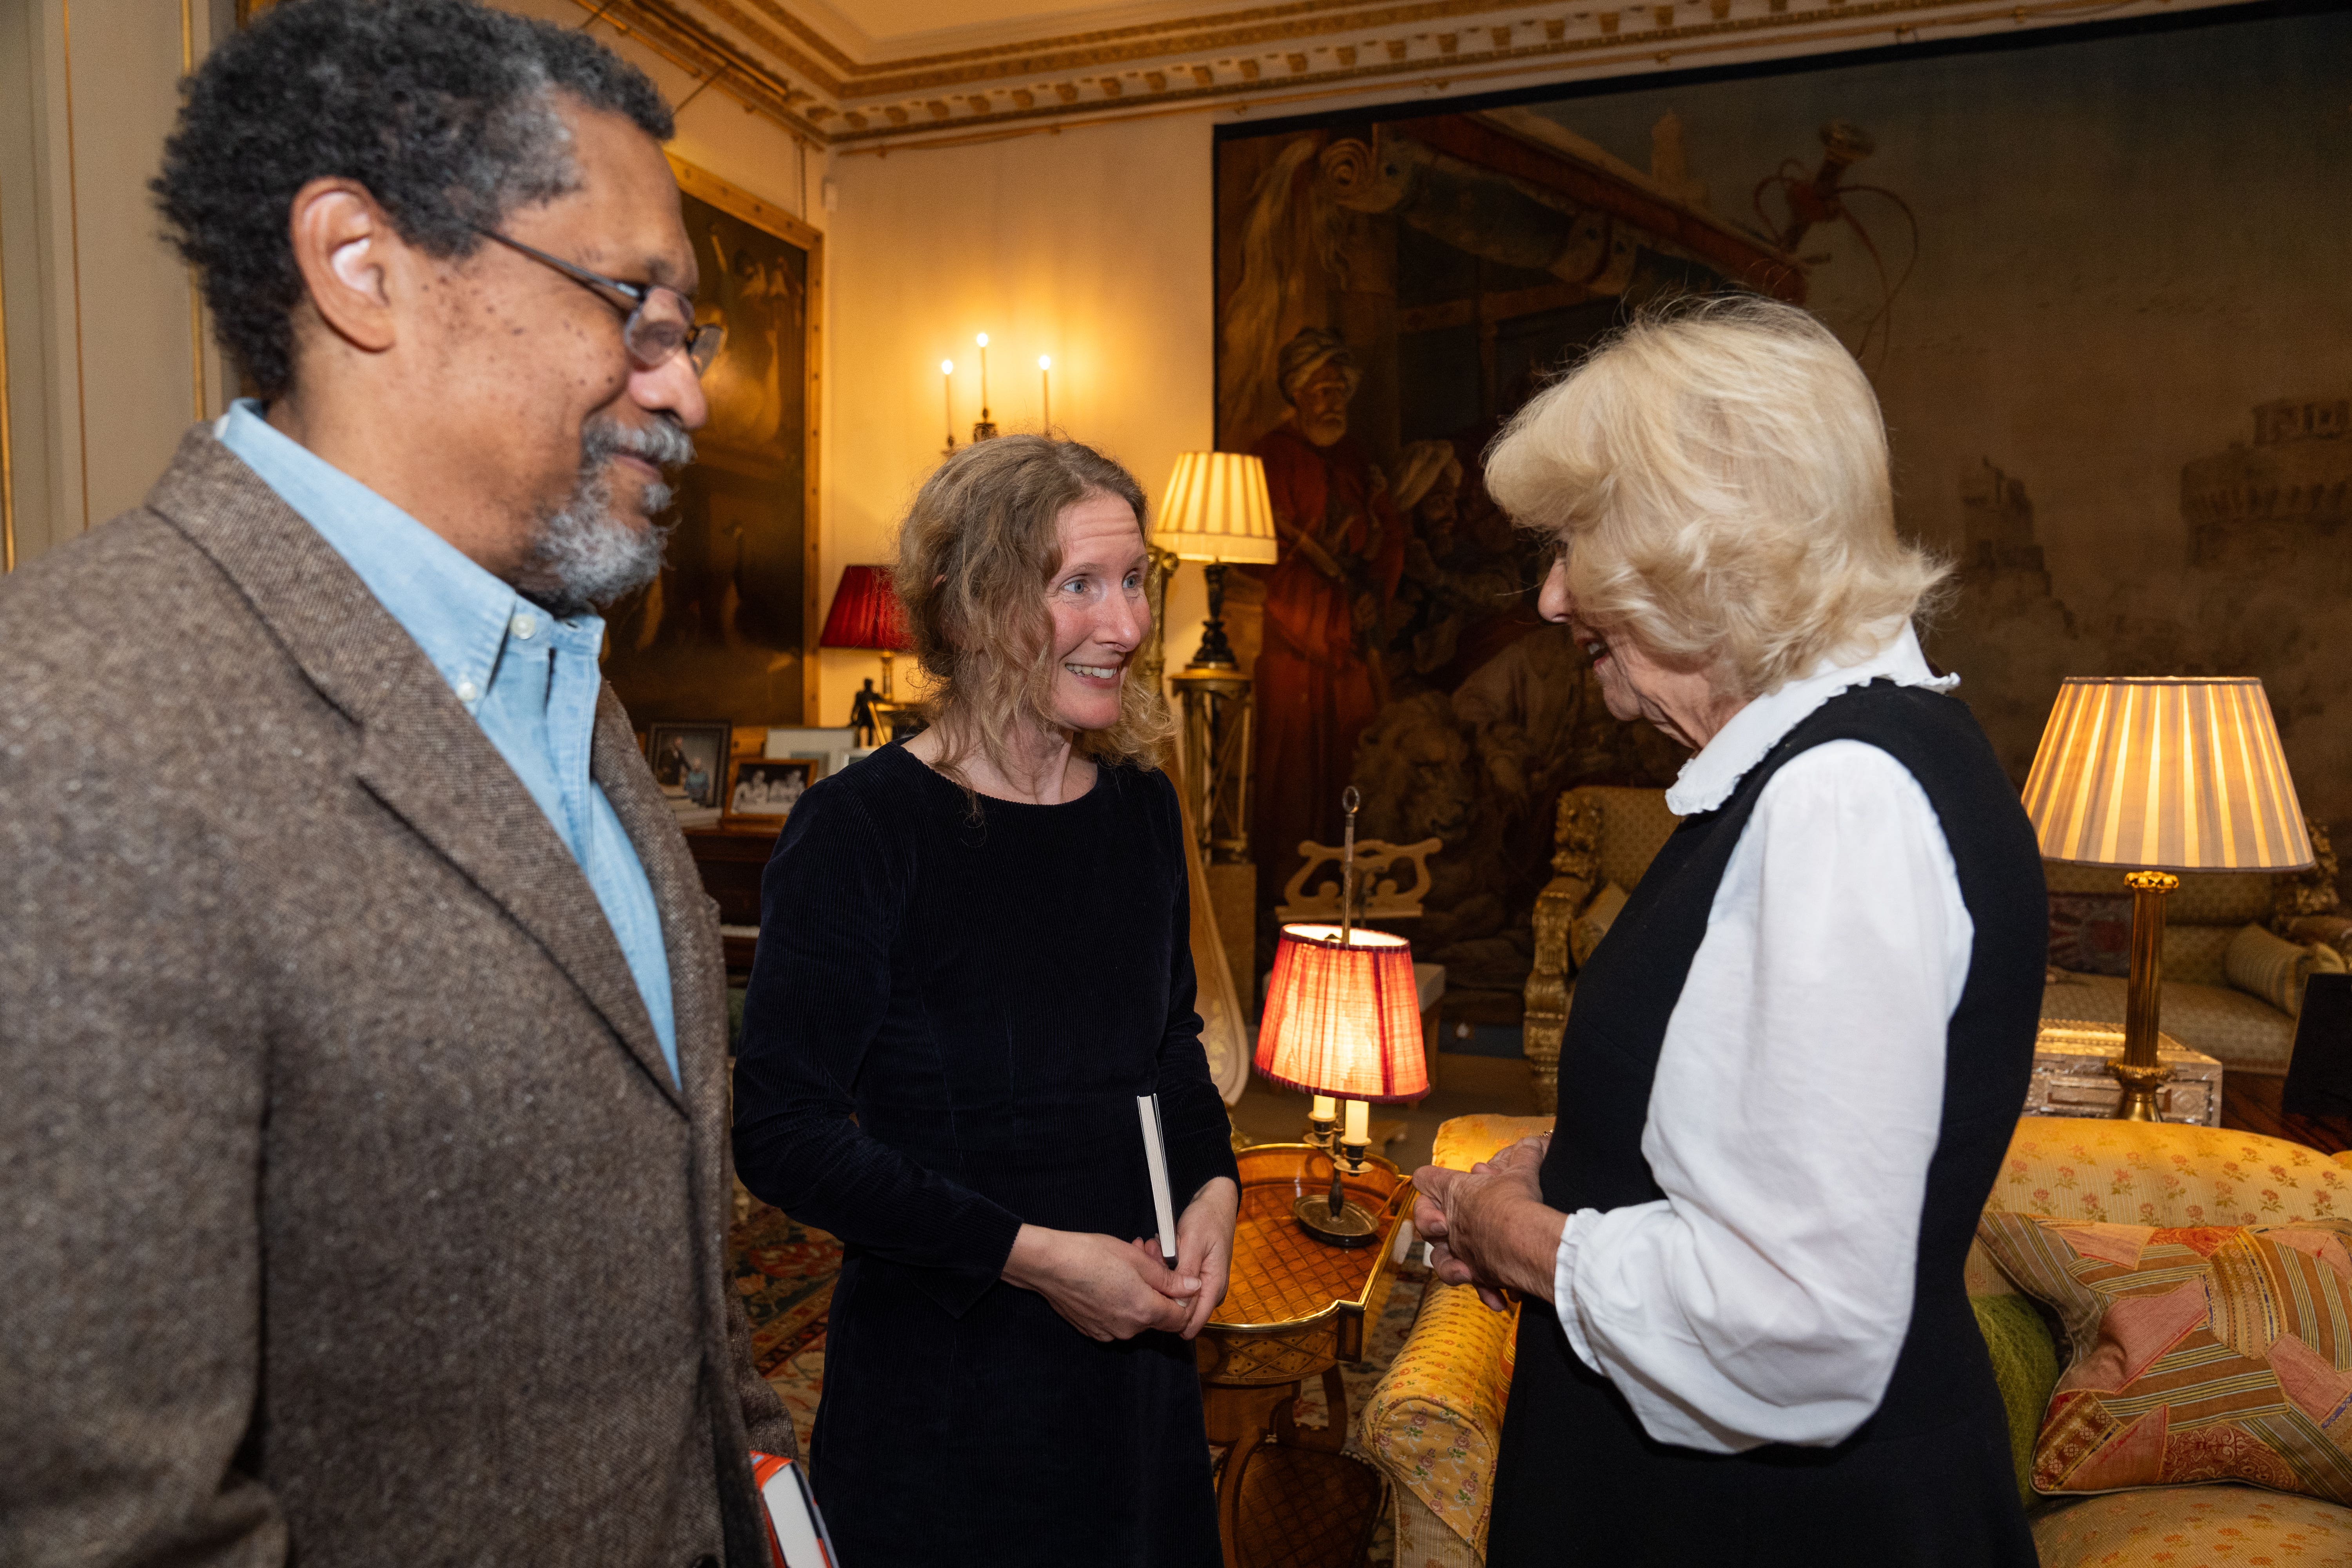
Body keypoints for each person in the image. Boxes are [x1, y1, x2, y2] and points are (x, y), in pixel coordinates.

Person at [0, 4, 795, 1564]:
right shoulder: (72, 722)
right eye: (636, 307)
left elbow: (686, 1304)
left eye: (686, 333)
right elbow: (108, 1521)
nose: (686, 388)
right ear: (363, 267)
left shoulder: (571, 687)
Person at [1411, 298, 2045, 1564]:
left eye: (1577, 543)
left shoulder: (1837, 801)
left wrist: (1522, 1242)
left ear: (1693, 544)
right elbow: (1763, 1126)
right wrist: (1564, 1165)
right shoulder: (1837, 767)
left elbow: (1799, 1320)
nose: (1548, 598)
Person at [733, 435, 1240, 1567]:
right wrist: (1038, 1258)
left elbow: (1168, 1048)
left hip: (1138, 1377)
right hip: (950, 1385)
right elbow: (782, 1133)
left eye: (1134, 580)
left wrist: (1214, 1190)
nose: (1127, 625)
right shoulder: (861, 832)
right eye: (1080, 586)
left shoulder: (1142, 808)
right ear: (972, 607)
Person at [1247, 328, 1406, 906]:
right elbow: (1271, 560)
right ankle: (1287, 902)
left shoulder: (1355, 458)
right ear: (1298, 392)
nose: (1335, 399)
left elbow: (1383, 540)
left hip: (1348, 644)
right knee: (1294, 777)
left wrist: (1369, 597)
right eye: (1323, 388)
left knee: (1356, 761)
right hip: (1298, 646)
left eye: (1341, 388)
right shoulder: (1272, 456)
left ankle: (1353, 894)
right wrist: (1329, 615)